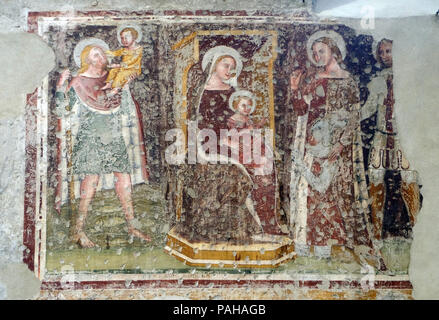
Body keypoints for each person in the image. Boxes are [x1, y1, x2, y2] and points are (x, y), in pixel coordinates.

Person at [289, 30, 379, 266]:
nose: (317, 56)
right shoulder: (312, 78)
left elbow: (353, 116)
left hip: (334, 146)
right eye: (315, 52)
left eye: (322, 51)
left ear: (334, 51)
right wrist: (295, 88)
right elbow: (300, 110)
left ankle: (323, 241)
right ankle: (303, 238)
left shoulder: (347, 80)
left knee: (327, 193)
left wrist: (341, 144)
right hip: (312, 143)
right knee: (306, 189)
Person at [54, 38, 150, 248]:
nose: (103, 57)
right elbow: (62, 111)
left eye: (103, 53)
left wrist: (126, 86)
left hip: (113, 135)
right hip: (90, 136)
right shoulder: (78, 82)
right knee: (90, 182)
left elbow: (124, 108)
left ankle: (132, 225)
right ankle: (78, 230)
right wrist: (61, 87)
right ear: (86, 59)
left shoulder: (115, 76)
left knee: (124, 180)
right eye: (97, 54)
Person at [360, 38, 421, 241]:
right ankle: (376, 233)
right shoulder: (377, 81)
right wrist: (352, 117)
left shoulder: (411, 78)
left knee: (409, 181)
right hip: (381, 137)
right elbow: (369, 109)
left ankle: (418, 228)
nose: (385, 55)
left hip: (403, 137)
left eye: (389, 51)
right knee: (376, 182)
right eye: (382, 52)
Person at [101, 27, 143, 95]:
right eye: (122, 38)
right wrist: (106, 52)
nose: (124, 40)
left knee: (121, 75)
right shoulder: (124, 50)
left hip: (133, 69)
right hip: (124, 68)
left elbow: (132, 61)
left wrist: (118, 65)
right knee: (113, 71)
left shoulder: (138, 50)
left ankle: (116, 89)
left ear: (134, 37)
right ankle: (109, 84)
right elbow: (115, 53)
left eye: (126, 37)